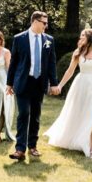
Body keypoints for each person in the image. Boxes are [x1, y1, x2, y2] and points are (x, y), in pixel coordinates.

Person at [6, 10, 57, 162]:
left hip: (39, 83)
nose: (46, 26)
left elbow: (52, 63)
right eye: (44, 23)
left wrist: (53, 83)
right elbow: (14, 63)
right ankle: (19, 149)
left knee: (35, 116)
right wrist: (9, 83)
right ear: (35, 22)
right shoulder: (19, 38)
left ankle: (32, 146)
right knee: (23, 114)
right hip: (23, 82)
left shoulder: (49, 40)